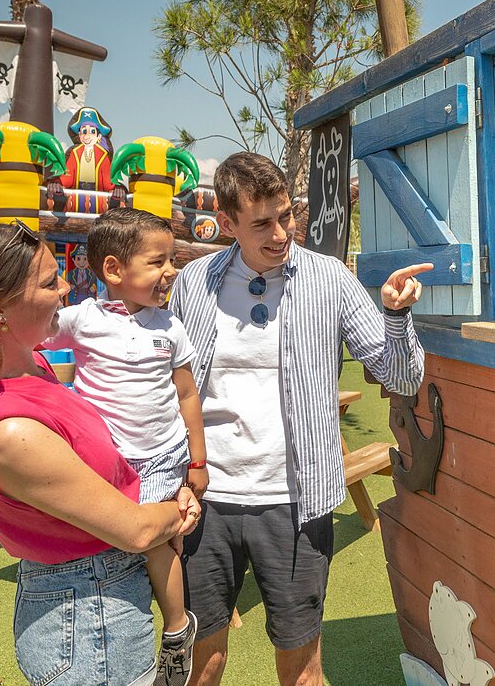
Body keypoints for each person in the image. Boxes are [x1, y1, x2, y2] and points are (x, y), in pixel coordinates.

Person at [170, 152, 431, 686]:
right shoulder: (194, 283)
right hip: (204, 500)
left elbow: (400, 377)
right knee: (203, 660)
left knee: (302, 667)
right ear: (226, 223)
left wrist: (397, 316)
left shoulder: (329, 279)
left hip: (295, 499)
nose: (281, 233)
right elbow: (167, 387)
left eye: (286, 216)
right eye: (261, 222)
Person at [0, 221, 201, 686]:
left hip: (102, 603)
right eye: (49, 282)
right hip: (90, 626)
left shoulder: (31, 365)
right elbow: (135, 529)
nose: (68, 287)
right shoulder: (9, 432)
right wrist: (178, 510)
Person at [45, 207, 208, 685]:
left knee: (159, 542)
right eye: (158, 262)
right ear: (114, 270)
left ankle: (177, 630)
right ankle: (122, 626)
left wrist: (198, 461)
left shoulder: (170, 327)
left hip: (160, 454)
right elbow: (31, 334)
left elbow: (187, 395)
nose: (170, 271)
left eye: (172, 260)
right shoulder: (81, 320)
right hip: (106, 459)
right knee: (113, 544)